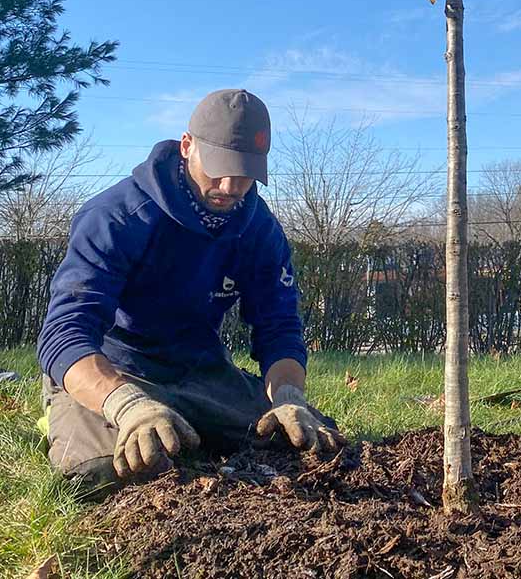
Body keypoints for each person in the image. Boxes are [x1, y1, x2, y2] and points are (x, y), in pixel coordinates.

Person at [37, 89, 342, 499]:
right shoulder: (115, 217)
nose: (231, 185)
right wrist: (127, 405)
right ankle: (70, 416)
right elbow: (65, 336)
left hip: (199, 372)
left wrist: (288, 395)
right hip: (116, 370)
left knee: (308, 442)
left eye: (247, 171)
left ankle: (192, 425)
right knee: (101, 474)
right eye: (219, 167)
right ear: (187, 146)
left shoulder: (259, 230)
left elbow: (279, 326)